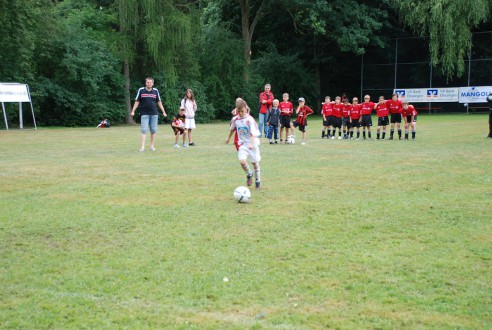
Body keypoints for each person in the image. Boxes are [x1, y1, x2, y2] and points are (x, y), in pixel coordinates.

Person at [226, 99, 262, 190]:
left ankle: (258, 180)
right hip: (242, 144)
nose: (241, 113)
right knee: (242, 161)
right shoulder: (235, 119)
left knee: (254, 163)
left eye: (242, 111)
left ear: (246, 109)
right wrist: (228, 138)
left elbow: (254, 133)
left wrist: (251, 144)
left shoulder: (250, 119)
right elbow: (232, 129)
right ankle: (249, 174)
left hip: (252, 143)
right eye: (239, 111)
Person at [131, 77, 167, 152]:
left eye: (150, 82)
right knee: (144, 130)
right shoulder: (141, 90)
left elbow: (159, 102)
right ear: (145, 83)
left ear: (152, 83)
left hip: (154, 114)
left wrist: (163, 111)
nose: (149, 83)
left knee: (153, 130)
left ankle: (152, 146)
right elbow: (137, 101)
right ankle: (142, 147)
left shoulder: (155, 91)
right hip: (144, 114)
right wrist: (133, 111)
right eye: (147, 82)